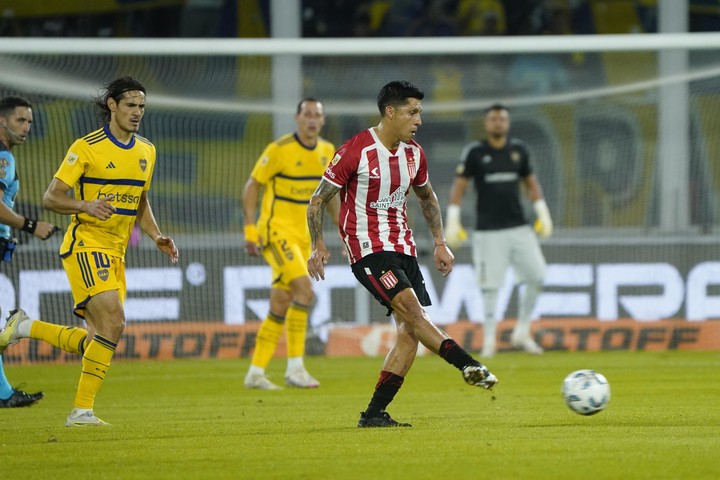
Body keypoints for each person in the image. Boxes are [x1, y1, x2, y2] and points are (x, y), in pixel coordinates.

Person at [307, 80, 498, 428]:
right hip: (368, 249)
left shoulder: (414, 154)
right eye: (412, 112)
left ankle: (375, 414)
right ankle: (468, 364)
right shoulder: (356, 150)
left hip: (403, 248)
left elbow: (426, 197)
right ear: (390, 113)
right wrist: (317, 243)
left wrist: (440, 241)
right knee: (413, 312)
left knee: (409, 333)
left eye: (420, 113)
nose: (418, 120)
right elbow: (318, 198)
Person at [0, 77, 179, 426]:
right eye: (130, 105)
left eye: (141, 106)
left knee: (100, 339)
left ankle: (24, 327)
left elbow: (141, 201)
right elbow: (51, 197)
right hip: (85, 244)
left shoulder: (147, 150)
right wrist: (86, 205)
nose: (137, 113)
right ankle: (81, 411)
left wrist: (157, 235)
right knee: (115, 321)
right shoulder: (86, 147)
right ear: (112, 105)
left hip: (116, 252)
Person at [243, 98, 337, 390]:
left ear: (322, 121)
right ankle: (296, 368)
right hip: (276, 231)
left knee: (282, 301)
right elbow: (252, 186)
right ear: (297, 118)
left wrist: (345, 231)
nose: (312, 120)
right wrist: (249, 229)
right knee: (304, 289)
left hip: (304, 237)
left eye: (317, 115)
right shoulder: (279, 150)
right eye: (307, 114)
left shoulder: (327, 151)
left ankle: (255, 372)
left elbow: (331, 196)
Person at [445, 103, 552, 358]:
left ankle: (522, 332)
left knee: (538, 276)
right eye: (493, 119)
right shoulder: (475, 152)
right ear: (486, 123)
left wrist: (542, 212)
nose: (497, 123)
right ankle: (490, 342)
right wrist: (453, 218)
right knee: (491, 287)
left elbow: (531, 182)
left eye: (502, 119)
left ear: (507, 123)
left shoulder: (518, 150)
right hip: (488, 231)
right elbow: (460, 186)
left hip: (519, 227)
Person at [0, 96, 56, 408]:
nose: (26, 128)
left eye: (30, 122)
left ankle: (3, 392)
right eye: (20, 120)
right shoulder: (3, 158)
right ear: (2, 121)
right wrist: (31, 225)